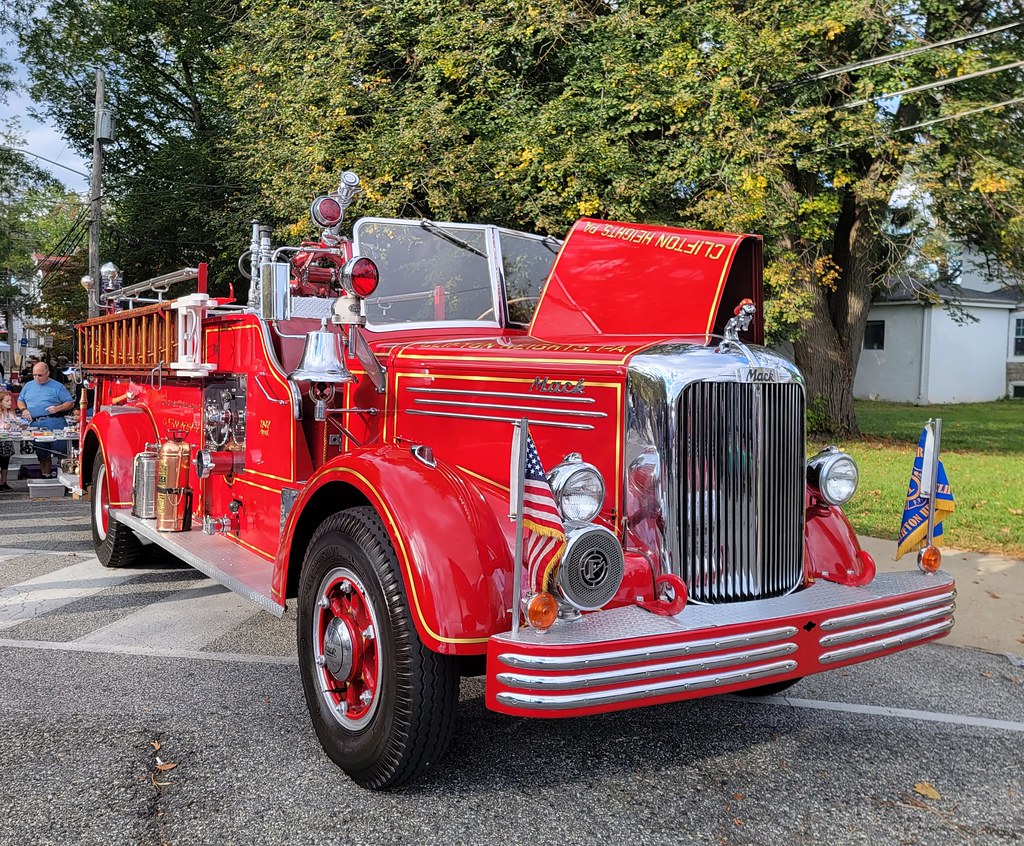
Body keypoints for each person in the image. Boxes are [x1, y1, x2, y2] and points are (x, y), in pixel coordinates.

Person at [16, 361, 74, 478]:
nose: (37, 378)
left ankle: (64, 477)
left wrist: (58, 408)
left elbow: (70, 403)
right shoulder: (28, 386)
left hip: (54, 422)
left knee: (61, 452)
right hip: (36, 422)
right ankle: (45, 476)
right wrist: (24, 410)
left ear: (47, 373)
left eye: (40, 375)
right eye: (34, 375)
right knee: (42, 453)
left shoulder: (57, 386)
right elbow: (20, 400)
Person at [0, 389, 19, 491]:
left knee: (5, 462)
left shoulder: (11, 413)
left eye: (10, 400)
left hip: (7, 441)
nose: (10, 403)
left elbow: (15, 424)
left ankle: (4, 482)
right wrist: (4, 426)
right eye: (7, 401)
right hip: (1, 440)